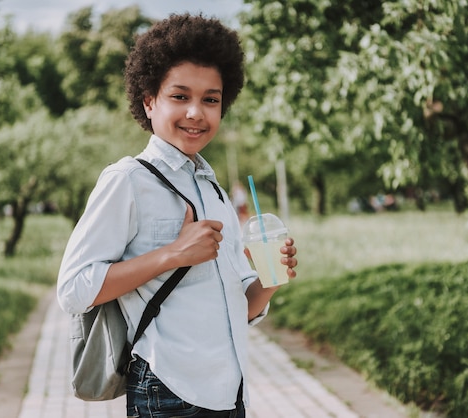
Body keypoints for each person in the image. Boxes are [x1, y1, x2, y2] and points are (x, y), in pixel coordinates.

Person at [57, 13, 298, 418]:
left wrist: (271, 280)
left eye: (211, 99)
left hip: (230, 393)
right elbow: (73, 290)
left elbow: (241, 307)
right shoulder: (128, 181)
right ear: (149, 101)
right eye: (180, 96)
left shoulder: (215, 191)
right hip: (167, 392)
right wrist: (172, 254)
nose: (196, 113)